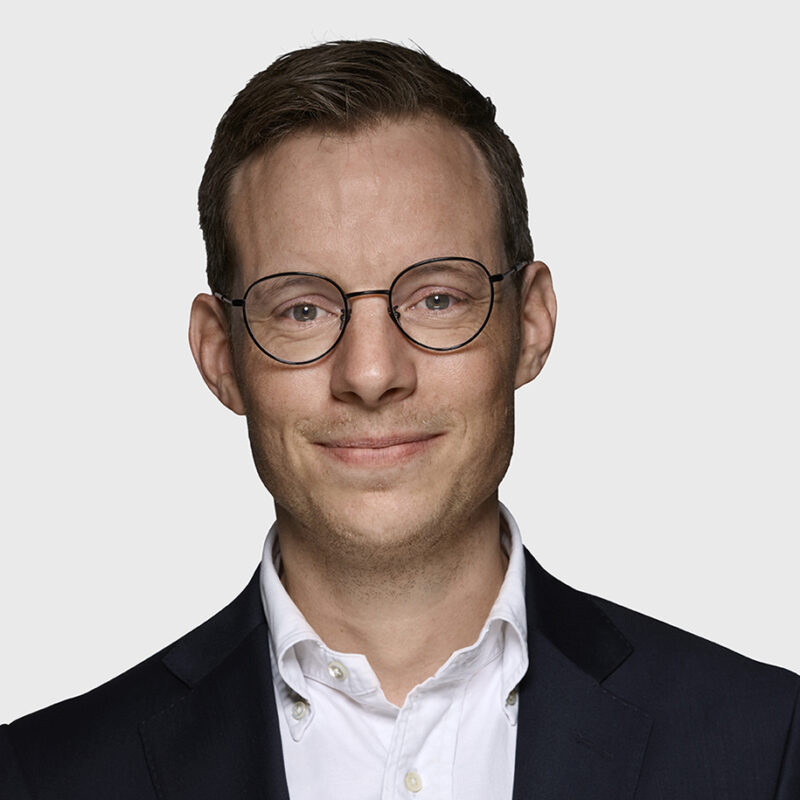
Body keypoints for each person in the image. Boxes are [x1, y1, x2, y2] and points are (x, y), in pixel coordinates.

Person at [1, 39, 798, 800]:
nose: (372, 374)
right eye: (304, 309)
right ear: (220, 355)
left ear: (531, 324)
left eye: (437, 298)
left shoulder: (767, 746)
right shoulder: (42, 779)